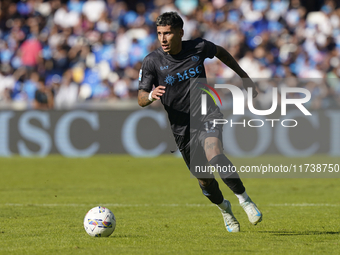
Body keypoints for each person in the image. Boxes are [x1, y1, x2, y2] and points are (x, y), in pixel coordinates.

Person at [138, 12, 262, 232]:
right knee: (204, 179)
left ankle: (244, 199)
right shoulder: (152, 61)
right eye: (159, 34)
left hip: (206, 113)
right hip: (181, 127)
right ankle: (225, 208)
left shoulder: (198, 47)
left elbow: (221, 52)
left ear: (180, 33)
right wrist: (150, 96)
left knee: (214, 153)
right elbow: (140, 98)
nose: (163, 39)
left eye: (167, 33)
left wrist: (244, 77)